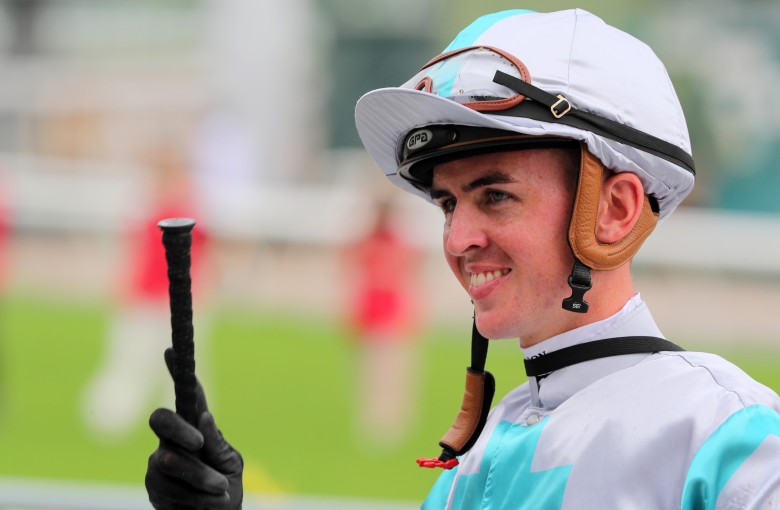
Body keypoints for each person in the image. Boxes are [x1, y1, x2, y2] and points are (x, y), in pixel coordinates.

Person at [144, 8, 780, 509]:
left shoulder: (736, 444)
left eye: (495, 196)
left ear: (614, 210)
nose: (456, 239)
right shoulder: (469, 469)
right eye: (449, 204)